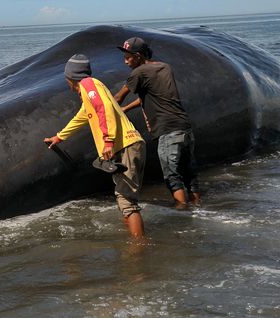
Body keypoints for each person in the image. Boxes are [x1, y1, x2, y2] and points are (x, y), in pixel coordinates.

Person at [44, 54, 147, 238]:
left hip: (126, 145)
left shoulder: (88, 84)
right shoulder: (88, 93)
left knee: (127, 200)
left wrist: (108, 140)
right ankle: (135, 240)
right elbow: (81, 117)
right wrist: (59, 137)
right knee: (124, 199)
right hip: (128, 146)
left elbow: (103, 108)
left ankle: (138, 249)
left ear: (71, 77)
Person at [114, 37, 201, 208]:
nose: (125, 62)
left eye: (127, 57)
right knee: (189, 173)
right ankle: (198, 208)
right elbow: (156, 96)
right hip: (184, 128)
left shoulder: (138, 73)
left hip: (167, 131)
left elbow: (118, 97)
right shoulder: (164, 67)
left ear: (138, 56)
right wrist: (127, 109)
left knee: (172, 175)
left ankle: (182, 212)